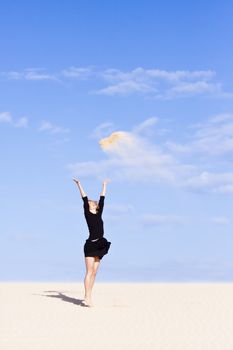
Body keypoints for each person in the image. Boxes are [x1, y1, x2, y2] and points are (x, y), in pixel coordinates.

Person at [73, 178, 111, 307]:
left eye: (91, 202)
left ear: (95, 205)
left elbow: (102, 198)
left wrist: (104, 185)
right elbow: (84, 197)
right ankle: (86, 296)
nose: (89, 202)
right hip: (90, 245)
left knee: (95, 272)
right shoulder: (87, 213)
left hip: (100, 245)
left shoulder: (99, 213)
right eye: (88, 202)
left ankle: (90, 295)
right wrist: (79, 184)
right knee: (89, 271)